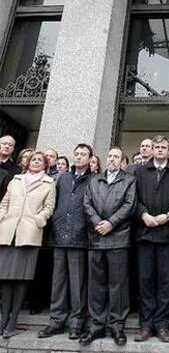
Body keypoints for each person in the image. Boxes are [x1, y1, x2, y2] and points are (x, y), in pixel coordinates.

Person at [81, 147, 136, 346]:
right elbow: (86, 204)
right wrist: (98, 223)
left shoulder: (130, 180)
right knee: (96, 284)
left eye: (116, 157)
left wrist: (111, 223)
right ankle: (96, 325)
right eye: (110, 156)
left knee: (118, 285)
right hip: (96, 237)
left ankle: (116, 325)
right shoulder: (94, 180)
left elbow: (129, 205)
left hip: (118, 238)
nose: (112, 159)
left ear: (122, 161)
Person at [38, 143, 93, 341]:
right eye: (76, 154)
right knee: (58, 282)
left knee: (78, 283)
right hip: (59, 236)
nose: (78, 157)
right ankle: (56, 321)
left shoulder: (94, 180)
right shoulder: (63, 178)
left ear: (90, 158)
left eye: (83, 154)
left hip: (80, 236)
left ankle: (76, 322)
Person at [0, 151, 55, 338]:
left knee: (22, 278)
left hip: (29, 233)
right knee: (5, 278)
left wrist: (39, 220)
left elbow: (49, 207)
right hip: (9, 232)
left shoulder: (49, 183)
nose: (36, 162)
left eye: (40, 160)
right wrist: (2, 217)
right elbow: (4, 203)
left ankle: (13, 320)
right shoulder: (16, 180)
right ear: (28, 162)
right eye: (34, 159)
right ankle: (3, 318)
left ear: (45, 164)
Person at [134, 136, 169, 343]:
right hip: (144, 233)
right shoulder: (140, 171)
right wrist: (144, 215)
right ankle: (145, 325)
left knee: (165, 281)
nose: (160, 150)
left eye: (163, 147)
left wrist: (168, 215)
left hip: (167, 234)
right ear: (151, 149)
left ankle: (162, 325)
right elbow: (133, 199)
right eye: (156, 147)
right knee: (145, 280)